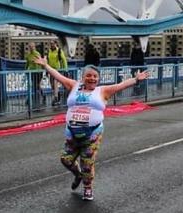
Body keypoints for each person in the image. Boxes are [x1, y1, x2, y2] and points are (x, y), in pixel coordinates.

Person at [34, 55, 149, 201]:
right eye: (88, 75)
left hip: (92, 133)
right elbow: (59, 76)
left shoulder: (103, 91)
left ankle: (88, 188)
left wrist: (136, 79)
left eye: (95, 76)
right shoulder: (74, 86)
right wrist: (45, 66)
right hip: (72, 131)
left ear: (98, 79)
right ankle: (78, 175)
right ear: (83, 77)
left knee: (86, 162)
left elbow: (121, 85)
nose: (92, 78)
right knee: (66, 159)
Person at [47, 40, 67, 106]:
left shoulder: (59, 51)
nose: (51, 45)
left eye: (52, 43)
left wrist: (65, 69)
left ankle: (55, 98)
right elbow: (47, 60)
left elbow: (64, 60)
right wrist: (47, 70)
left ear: (56, 44)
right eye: (50, 44)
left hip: (58, 70)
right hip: (51, 70)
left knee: (55, 83)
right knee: (52, 85)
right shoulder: (49, 51)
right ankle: (58, 96)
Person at [25, 42, 43, 108]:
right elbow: (27, 63)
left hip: (38, 72)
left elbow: (40, 62)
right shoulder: (28, 55)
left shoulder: (37, 54)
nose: (31, 48)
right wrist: (25, 69)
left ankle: (39, 97)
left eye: (32, 46)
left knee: (37, 86)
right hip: (31, 72)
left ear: (34, 47)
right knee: (33, 85)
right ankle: (30, 99)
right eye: (30, 47)